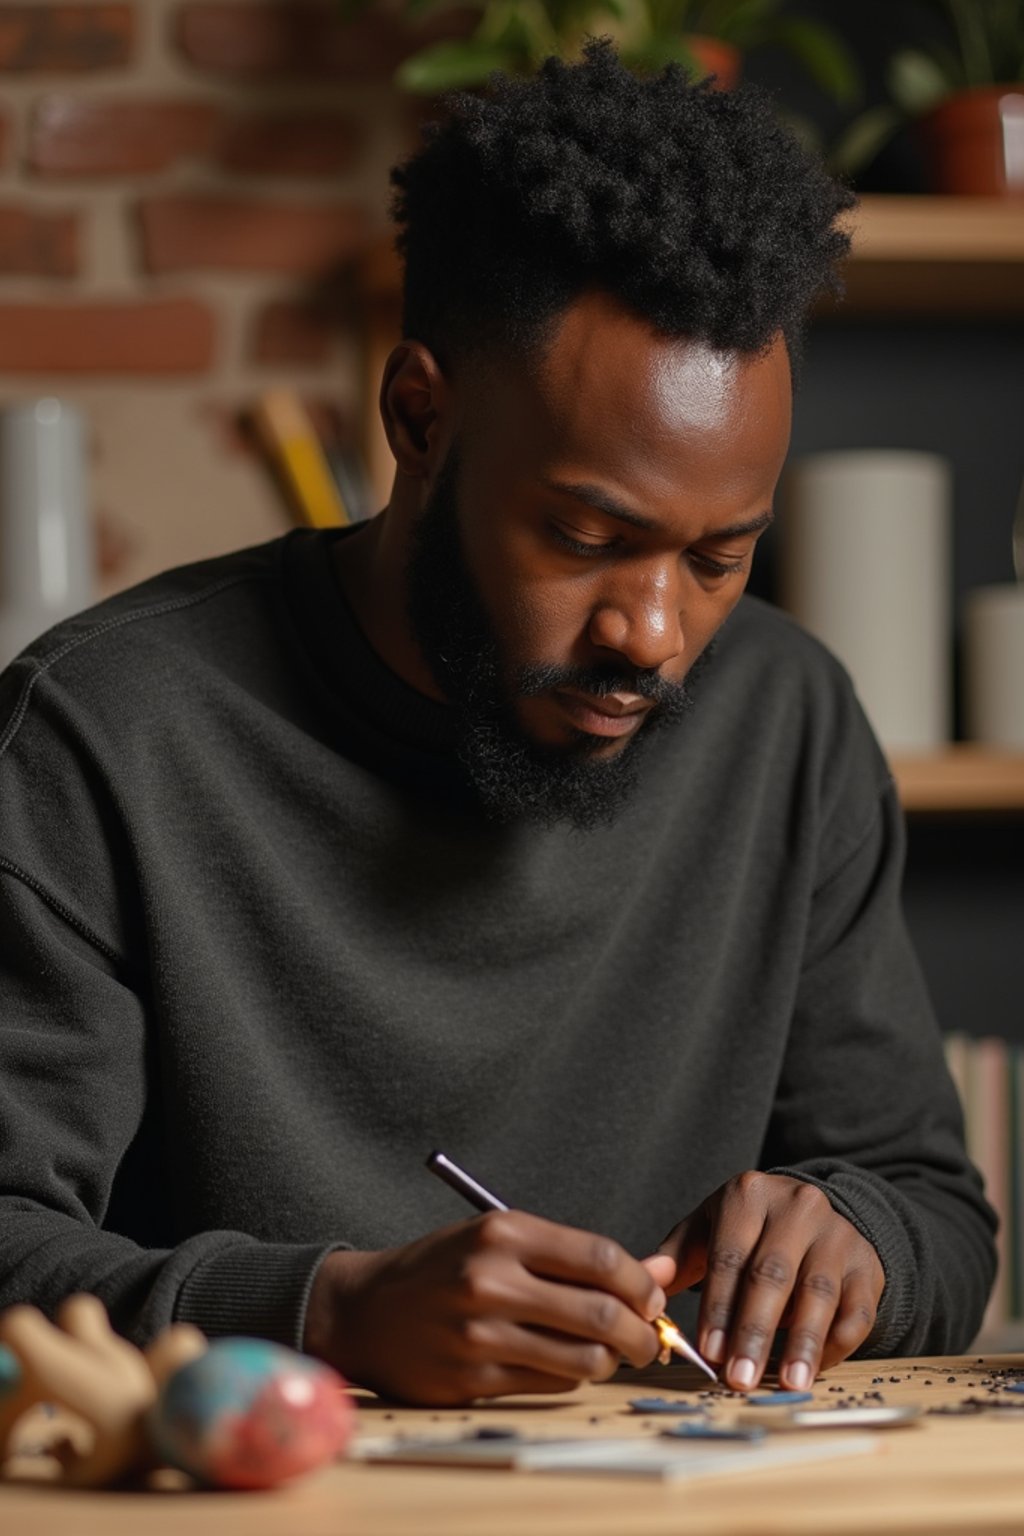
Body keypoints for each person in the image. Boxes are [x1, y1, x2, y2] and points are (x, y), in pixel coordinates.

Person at [0, 43, 995, 1408]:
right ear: (419, 417)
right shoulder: (102, 734)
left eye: (719, 558)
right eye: (589, 536)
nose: (651, 633)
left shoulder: (786, 718)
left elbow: (936, 1211)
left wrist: (858, 1239)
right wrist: (319, 1312)